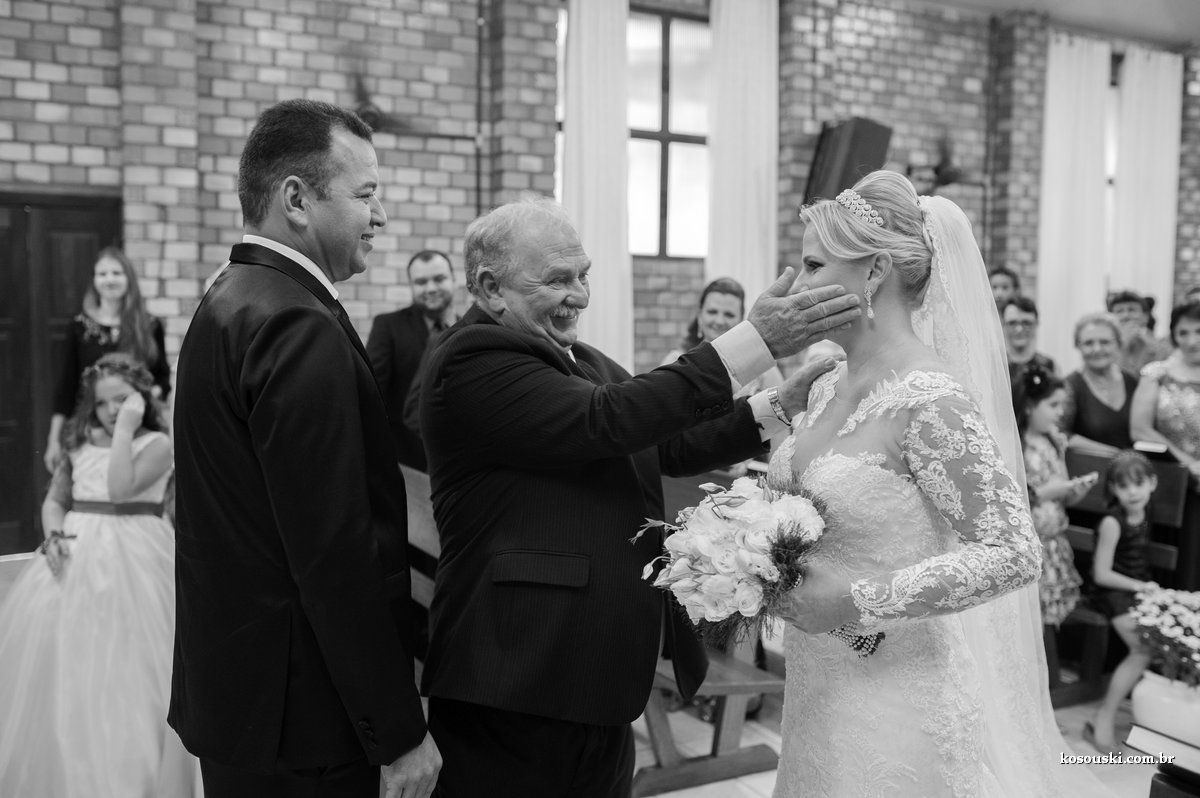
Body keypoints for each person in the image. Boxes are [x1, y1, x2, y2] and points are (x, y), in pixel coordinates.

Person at [418, 196, 861, 797]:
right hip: (517, 667)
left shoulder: (578, 358)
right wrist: (754, 340)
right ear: (492, 288)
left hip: (592, 669)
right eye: (557, 280)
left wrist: (781, 403)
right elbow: (608, 419)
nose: (579, 295)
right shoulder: (470, 357)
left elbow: (664, 441)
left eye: (583, 275)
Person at [768, 171, 1116, 796]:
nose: (797, 287)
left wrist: (857, 598)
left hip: (896, 698)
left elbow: (1013, 552)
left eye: (814, 265)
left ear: (875, 271)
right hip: (816, 683)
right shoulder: (822, 385)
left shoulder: (929, 400)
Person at [171, 99, 439, 797]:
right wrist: (398, 729)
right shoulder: (296, 322)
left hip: (243, 693)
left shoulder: (230, 295)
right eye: (366, 195)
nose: (380, 217)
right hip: (304, 716)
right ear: (296, 200)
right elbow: (333, 554)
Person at [0, 353, 197, 796]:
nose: (111, 411)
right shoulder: (79, 443)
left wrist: (126, 430)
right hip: (78, 552)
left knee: (136, 660)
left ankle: (139, 770)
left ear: (140, 399)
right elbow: (56, 501)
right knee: (72, 659)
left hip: (139, 555)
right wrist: (54, 535)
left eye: (122, 400)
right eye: (103, 402)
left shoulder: (157, 444)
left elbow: (120, 488)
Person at [43, 247, 172, 472]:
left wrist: (147, 395)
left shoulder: (150, 325)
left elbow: (162, 378)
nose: (109, 279)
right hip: (89, 428)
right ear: (94, 280)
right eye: (102, 274)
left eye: (116, 273)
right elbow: (66, 386)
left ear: (128, 278)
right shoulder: (79, 327)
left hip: (139, 426)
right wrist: (53, 439)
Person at [662, 277, 786, 472]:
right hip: (686, 474)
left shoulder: (764, 369)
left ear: (741, 320)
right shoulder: (675, 362)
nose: (719, 321)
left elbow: (780, 430)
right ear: (699, 315)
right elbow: (662, 430)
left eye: (728, 314)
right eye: (712, 312)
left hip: (745, 478)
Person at [1085, 451, 1160, 752]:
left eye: (1138, 483)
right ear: (1113, 489)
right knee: (1143, 649)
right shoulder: (1112, 522)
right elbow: (1101, 574)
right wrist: (1141, 586)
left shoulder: (1144, 514)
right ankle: (1102, 718)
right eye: (1124, 485)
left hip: (1135, 591)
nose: (1132, 492)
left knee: (1158, 642)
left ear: (1152, 483)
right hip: (1110, 594)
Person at [1014, 365, 1092, 628]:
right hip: (1030, 547)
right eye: (1053, 405)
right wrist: (1047, 492)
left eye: (1062, 405)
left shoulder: (1055, 442)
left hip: (1055, 546)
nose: (1061, 412)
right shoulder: (1016, 444)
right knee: (1031, 621)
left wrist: (1076, 491)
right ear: (1029, 406)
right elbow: (1016, 499)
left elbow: (1064, 499)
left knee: (1052, 620)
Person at [367, 250, 459, 470]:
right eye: (421, 282)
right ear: (411, 286)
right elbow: (371, 395)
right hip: (405, 463)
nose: (431, 288)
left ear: (454, 280)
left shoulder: (471, 331)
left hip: (458, 464)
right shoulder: (388, 326)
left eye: (439, 279)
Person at [1130, 298, 1200, 589]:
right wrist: (1189, 463)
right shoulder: (1157, 374)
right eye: (1183, 332)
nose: (1192, 341)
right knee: (1183, 565)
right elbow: (1140, 428)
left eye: (1198, 331)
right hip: (1175, 481)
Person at [1062, 312, 1138, 453]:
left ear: (1118, 344)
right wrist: (1114, 454)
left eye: (1104, 342)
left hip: (1132, 465)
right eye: (1088, 343)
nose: (1096, 349)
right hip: (1087, 464)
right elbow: (1061, 434)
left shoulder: (1132, 381)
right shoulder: (1069, 386)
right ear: (1078, 346)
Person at [1108, 290, 1172, 375]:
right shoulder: (1104, 346)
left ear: (1145, 317)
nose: (1126, 316)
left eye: (1132, 310)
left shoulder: (1160, 346)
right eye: (1119, 311)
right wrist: (1123, 344)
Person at [1002, 295, 1056, 387]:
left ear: (1036, 323)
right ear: (1003, 324)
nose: (1019, 329)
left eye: (1026, 323)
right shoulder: (993, 366)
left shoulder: (1049, 366)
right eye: (1012, 323)